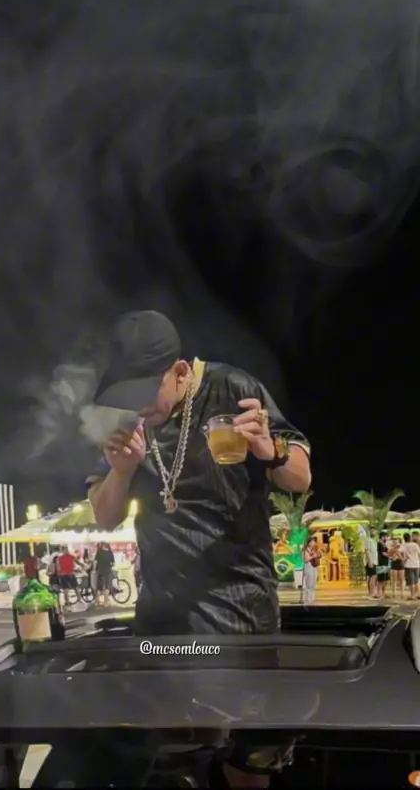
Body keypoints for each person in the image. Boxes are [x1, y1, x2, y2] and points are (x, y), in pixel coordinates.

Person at [87, 310, 311, 788]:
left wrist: (270, 449)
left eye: (146, 390)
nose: (137, 406)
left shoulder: (233, 388)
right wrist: (122, 471)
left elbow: (300, 478)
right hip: (162, 624)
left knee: (248, 764)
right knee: (172, 762)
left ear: (181, 371)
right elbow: (104, 516)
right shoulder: (129, 421)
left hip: (240, 616)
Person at [94, 541, 115, 607]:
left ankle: (96, 602)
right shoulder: (110, 552)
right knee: (107, 587)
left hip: (100, 571)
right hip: (108, 572)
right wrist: (109, 564)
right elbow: (113, 563)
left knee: (99, 587)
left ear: (102, 546)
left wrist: (94, 569)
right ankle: (106, 602)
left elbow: (95, 561)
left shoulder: (99, 552)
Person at [302, 536, 321, 605]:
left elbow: (318, 557)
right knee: (309, 584)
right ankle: (307, 599)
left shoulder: (314, 549)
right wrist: (313, 556)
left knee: (313, 583)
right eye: (312, 541)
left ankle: (312, 599)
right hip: (308, 567)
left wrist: (319, 555)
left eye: (314, 541)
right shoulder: (305, 550)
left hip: (314, 567)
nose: (314, 543)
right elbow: (306, 560)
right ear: (309, 543)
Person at [402, 533, 420, 600]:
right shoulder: (415, 545)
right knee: (416, 581)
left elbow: (397, 551)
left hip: (409, 565)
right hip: (417, 565)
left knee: (411, 582)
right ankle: (418, 594)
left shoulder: (404, 545)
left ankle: (412, 595)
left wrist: (402, 558)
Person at [364, 527, 379, 599]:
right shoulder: (368, 540)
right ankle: (371, 593)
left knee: (372, 577)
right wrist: (369, 561)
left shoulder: (374, 540)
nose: (373, 532)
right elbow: (367, 551)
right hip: (371, 561)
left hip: (375, 561)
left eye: (374, 531)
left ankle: (372, 593)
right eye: (372, 531)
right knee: (373, 577)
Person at [376, 532, 390, 600]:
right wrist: (390, 556)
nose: (387, 538)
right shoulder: (379, 544)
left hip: (385, 563)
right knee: (381, 579)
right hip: (381, 563)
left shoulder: (384, 544)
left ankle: (383, 593)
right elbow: (383, 553)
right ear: (382, 537)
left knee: (385, 579)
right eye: (386, 537)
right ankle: (379, 593)